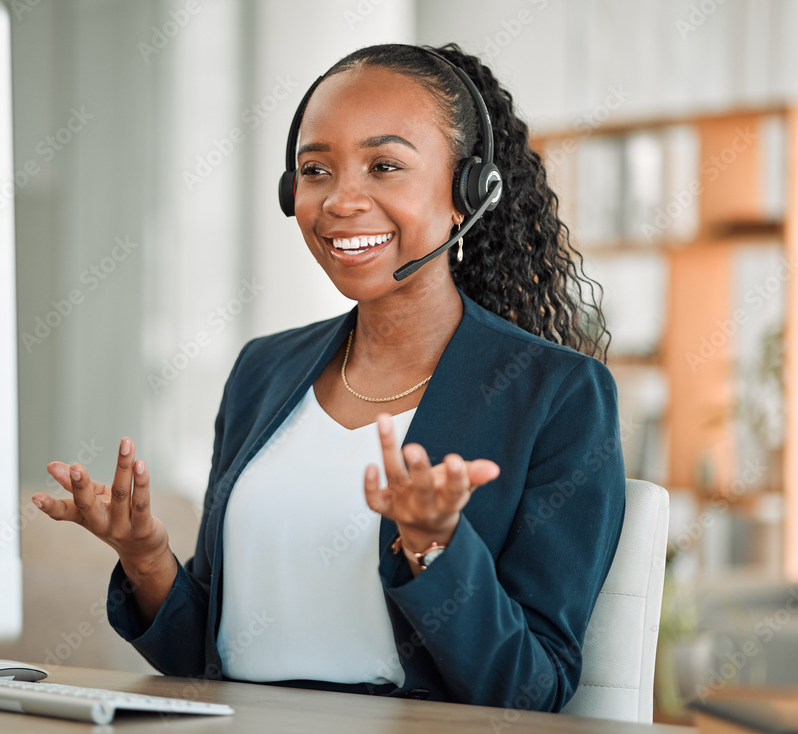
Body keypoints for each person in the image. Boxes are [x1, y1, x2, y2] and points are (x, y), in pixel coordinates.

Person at [33, 42, 625, 712]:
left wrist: (435, 549)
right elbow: (207, 657)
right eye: (316, 169)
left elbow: (531, 691)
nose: (342, 200)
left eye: (384, 165)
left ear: (468, 193)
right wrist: (146, 559)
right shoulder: (264, 370)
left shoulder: (556, 394)